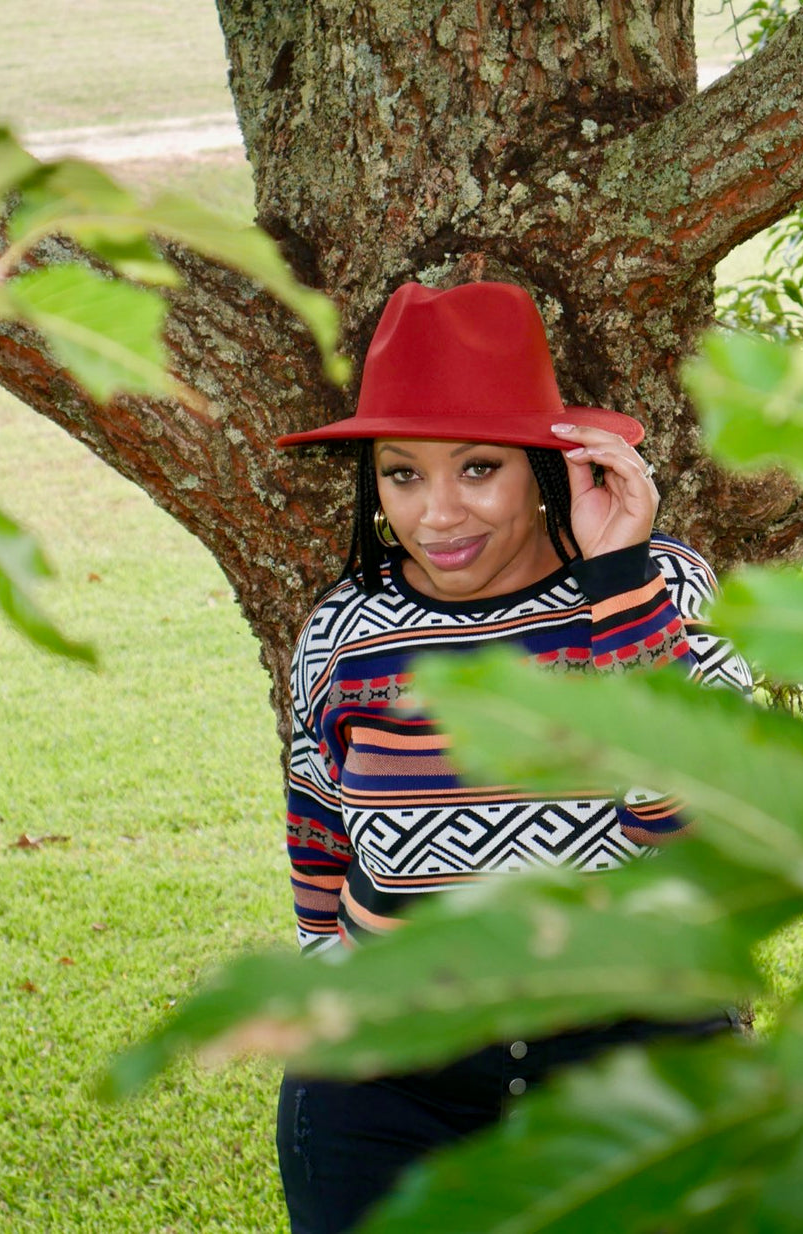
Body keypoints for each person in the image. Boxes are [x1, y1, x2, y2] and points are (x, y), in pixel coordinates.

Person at [273, 281, 752, 1234]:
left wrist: (618, 579)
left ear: (543, 469)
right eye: (402, 475)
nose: (437, 514)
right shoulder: (346, 631)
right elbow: (317, 834)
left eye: (478, 468)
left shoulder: (661, 592)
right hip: (387, 1091)